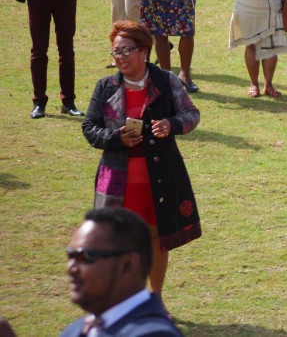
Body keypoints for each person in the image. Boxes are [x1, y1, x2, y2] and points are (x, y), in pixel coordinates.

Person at [81, 21, 201, 302]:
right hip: (117, 178)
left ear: (144, 51)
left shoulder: (166, 81)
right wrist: (115, 138)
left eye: (126, 50)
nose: (120, 57)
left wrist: (171, 124)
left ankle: (154, 299)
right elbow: (89, 127)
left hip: (158, 175)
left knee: (157, 239)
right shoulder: (105, 86)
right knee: (118, 242)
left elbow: (191, 114)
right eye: (115, 52)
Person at [60, 208, 181, 337]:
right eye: (70, 256)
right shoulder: (75, 330)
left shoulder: (154, 334)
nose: (71, 268)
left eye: (85, 257)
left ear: (127, 265)